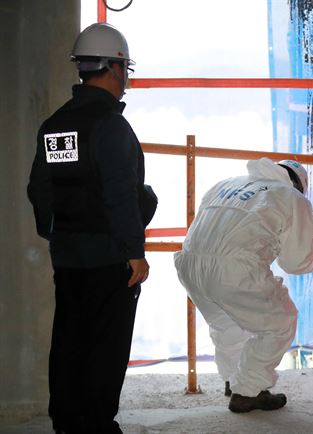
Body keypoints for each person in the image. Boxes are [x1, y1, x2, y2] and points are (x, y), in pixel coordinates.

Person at [27, 23, 156, 433]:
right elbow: (120, 194)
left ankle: (67, 422)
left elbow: (40, 190)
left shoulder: (55, 125)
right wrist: (134, 251)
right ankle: (97, 424)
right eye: (125, 70)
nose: (126, 80)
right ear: (115, 68)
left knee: (69, 339)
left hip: (69, 257)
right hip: (109, 259)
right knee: (106, 345)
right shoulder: (110, 126)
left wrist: (60, 234)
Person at [174, 158, 313, 413]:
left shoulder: (226, 184)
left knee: (227, 323)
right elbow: (295, 263)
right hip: (233, 270)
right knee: (281, 321)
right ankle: (248, 391)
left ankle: (233, 380)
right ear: (298, 185)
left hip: (190, 265)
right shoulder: (292, 197)